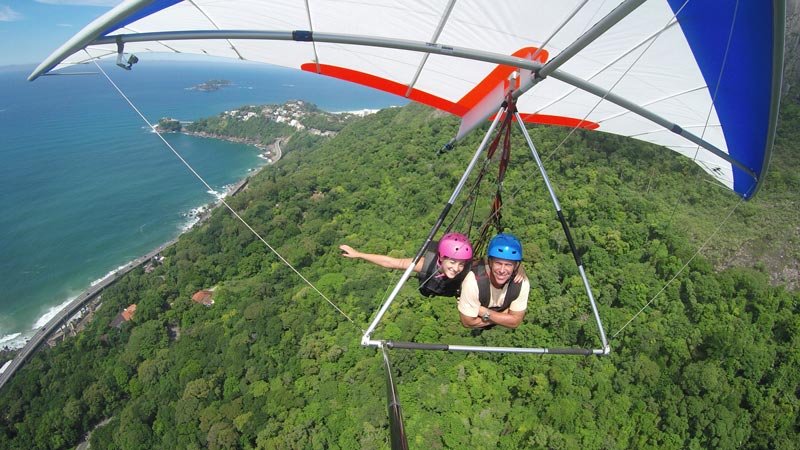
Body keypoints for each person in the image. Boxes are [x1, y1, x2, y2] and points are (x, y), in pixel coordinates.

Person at [339, 232, 474, 298]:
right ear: (441, 257)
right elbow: (392, 262)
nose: (456, 268)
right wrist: (359, 254)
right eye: (452, 262)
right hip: (431, 286)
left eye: (461, 264)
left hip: (452, 290)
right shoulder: (425, 264)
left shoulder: (467, 270)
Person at [458, 232, 529, 329]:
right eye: (498, 263)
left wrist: (483, 312)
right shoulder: (473, 281)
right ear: (490, 262)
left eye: (508, 265)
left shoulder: (520, 283)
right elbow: (467, 322)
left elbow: (515, 322)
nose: (502, 270)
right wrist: (504, 315)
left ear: (516, 266)